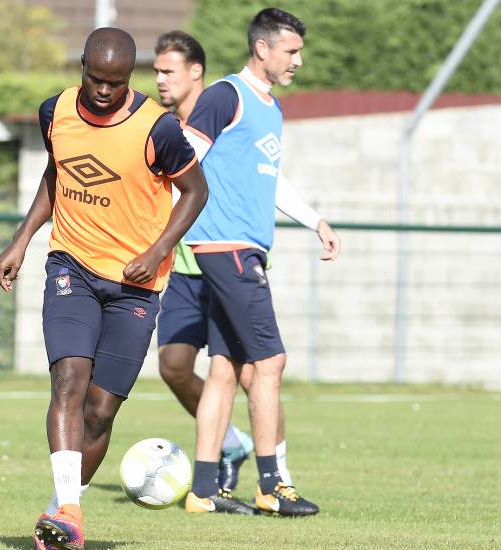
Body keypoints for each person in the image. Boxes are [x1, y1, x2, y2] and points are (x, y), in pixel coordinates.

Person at [0, 27, 207, 550]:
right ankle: (70, 513)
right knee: (68, 381)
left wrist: (157, 252)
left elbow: (196, 191)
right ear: (82, 67)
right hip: (72, 264)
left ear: (128, 77)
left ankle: (59, 511)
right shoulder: (55, 112)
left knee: (101, 410)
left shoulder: (159, 129)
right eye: (96, 79)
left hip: (136, 287)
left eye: (116, 82)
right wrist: (22, 240)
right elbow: (56, 174)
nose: (105, 91)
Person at [155, 29, 328, 504]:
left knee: (226, 370)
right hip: (227, 248)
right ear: (262, 48)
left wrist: (315, 221)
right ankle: (273, 485)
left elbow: (268, 180)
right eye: (291, 51)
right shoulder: (226, 95)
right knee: (271, 362)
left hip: (235, 250)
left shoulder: (270, 108)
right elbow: (182, 160)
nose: (298, 60)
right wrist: (158, 236)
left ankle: (205, 491)